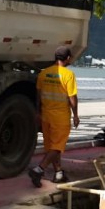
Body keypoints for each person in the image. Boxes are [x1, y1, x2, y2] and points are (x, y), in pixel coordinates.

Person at [28, 46, 80, 187]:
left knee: (51, 146)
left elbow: (38, 96)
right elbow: (72, 98)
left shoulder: (43, 74)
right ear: (68, 58)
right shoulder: (68, 75)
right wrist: (75, 115)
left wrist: (38, 112)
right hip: (60, 117)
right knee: (57, 147)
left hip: (46, 116)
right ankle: (39, 169)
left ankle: (59, 173)